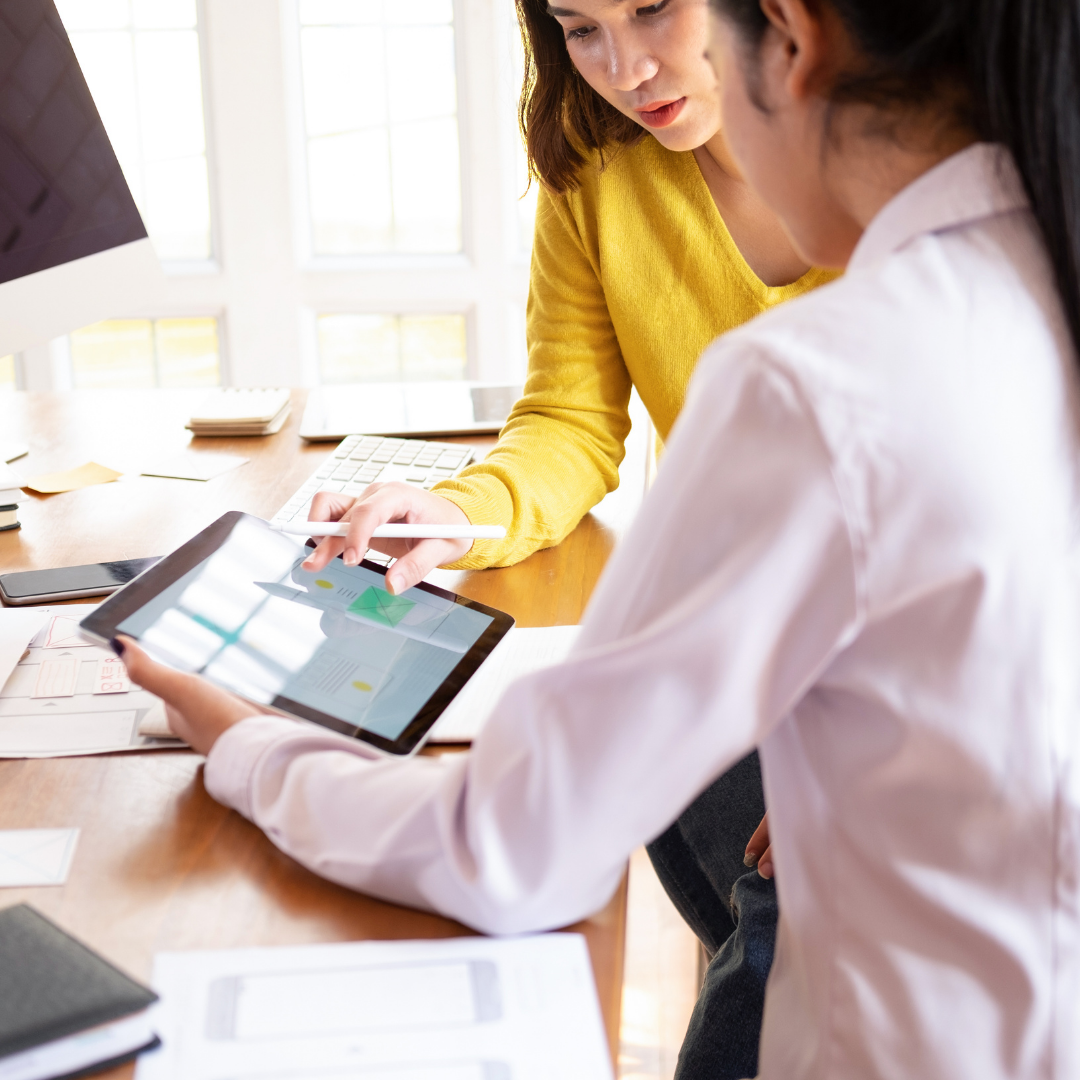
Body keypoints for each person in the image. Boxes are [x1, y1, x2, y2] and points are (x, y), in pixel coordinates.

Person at [118, 0, 1080, 1075]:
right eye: (580, 30)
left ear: (787, 34)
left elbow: (518, 849)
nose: (625, 68)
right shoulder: (1036, 265)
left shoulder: (813, 381)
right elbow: (573, 419)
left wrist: (249, 743)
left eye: (659, 12)